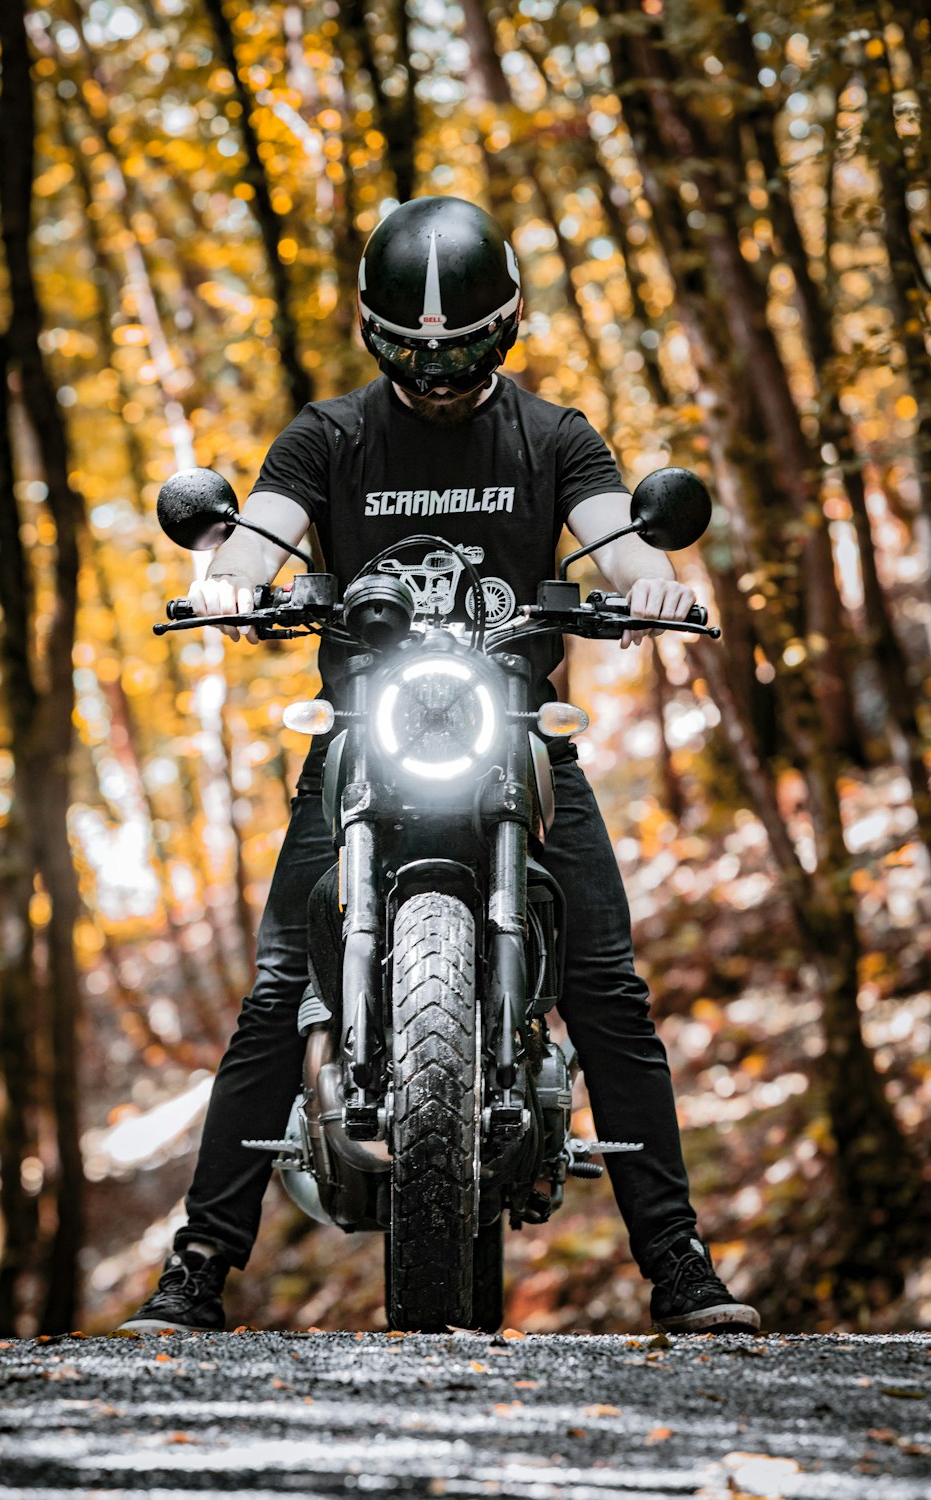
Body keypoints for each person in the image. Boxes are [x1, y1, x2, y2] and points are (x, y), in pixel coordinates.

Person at [120, 197, 760, 1336]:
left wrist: (646, 580)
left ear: (503, 329)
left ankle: (681, 1269)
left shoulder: (555, 437)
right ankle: (196, 1272)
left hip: (509, 730)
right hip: (362, 737)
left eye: (462, 348)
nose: (438, 370)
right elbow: (264, 527)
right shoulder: (326, 436)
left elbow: (614, 538)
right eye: (413, 351)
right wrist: (232, 575)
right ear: (376, 338)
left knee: (608, 988)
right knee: (277, 992)